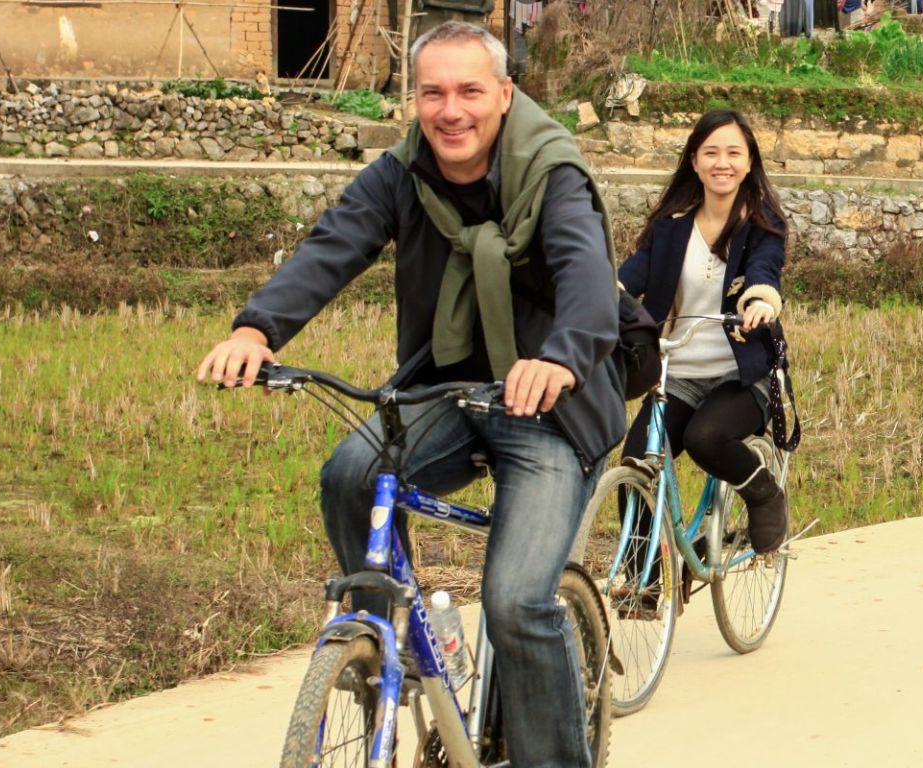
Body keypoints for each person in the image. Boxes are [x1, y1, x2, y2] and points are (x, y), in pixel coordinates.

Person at [194, 21, 617, 767]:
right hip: (445, 393)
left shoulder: (553, 171)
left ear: (505, 95)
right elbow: (334, 244)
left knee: (516, 602)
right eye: (432, 93)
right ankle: (386, 643)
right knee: (349, 473)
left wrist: (560, 358)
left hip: (550, 407)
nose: (450, 111)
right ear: (413, 99)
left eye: (468, 92)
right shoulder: (401, 173)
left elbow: (585, 273)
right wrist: (257, 331)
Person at [618, 109, 792, 554]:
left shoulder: (763, 225)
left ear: (749, 161)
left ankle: (764, 493)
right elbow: (633, 274)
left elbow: (764, 273)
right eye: (711, 152)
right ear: (694, 161)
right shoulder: (671, 226)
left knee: (705, 438)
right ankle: (646, 579)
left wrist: (759, 303)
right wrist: (600, 295)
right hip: (678, 373)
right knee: (635, 464)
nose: (722, 163)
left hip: (740, 378)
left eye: (734, 152)